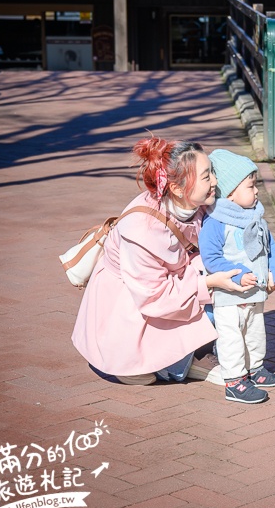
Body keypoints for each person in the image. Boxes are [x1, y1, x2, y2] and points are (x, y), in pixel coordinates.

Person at [71, 137, 250, 385]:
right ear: (177, 189)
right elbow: (154, 296)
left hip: (173, 281)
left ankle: (191, 354)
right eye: (207, 177)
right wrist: (208, 283)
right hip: (131, 301)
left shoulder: (194, 202)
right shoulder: (142, 230)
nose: (216, 183)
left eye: (212, 173)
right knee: (143, 373)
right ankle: (166, 360)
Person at [200, 149, 275, 404]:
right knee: (231, 338)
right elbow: (212, 258)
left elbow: (270, 249)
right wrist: (238, 276)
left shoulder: (256, 218)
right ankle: (234, 380)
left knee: (255, 333)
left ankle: (255, 368)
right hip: (229, 295)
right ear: (229, 193)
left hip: (255, 294)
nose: (257, 191)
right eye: (251, 186)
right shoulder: (216, 223)